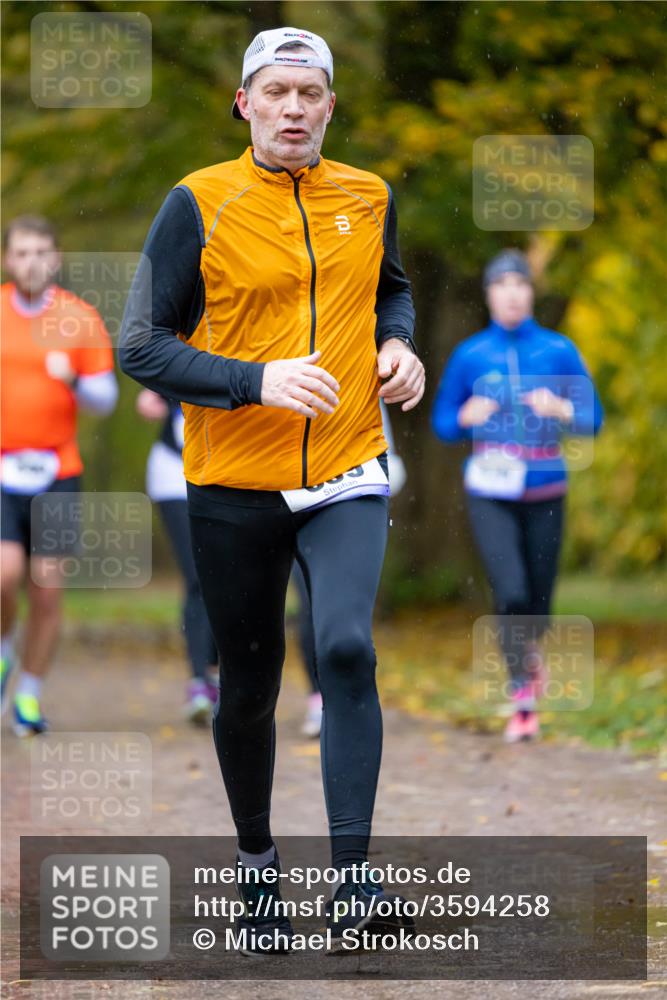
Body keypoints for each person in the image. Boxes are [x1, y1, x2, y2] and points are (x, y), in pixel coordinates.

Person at [120, 26, 424, 952]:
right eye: (276, 92)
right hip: (232, 482)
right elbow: (140, 344)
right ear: (245, 103)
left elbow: (390, 291)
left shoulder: (367, 195)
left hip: (345, 467)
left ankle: (353, 887)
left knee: (344, 650)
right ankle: (257, 868)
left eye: (310, 93)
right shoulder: (197, 202)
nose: (294, 109)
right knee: (246, 689)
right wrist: (255, 379)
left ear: (331, 105)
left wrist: (399, 346)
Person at [432, 249, 603, 743]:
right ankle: (521, 696)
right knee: (509, 590)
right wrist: (466, 416)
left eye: (520, 284)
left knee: (539, 596)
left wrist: (563, 409)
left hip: (547, 485)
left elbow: (594, 419)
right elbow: (442, 424)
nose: (512, 293)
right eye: (501, 284)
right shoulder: (470, 355)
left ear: (531, 293)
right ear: (488, 295)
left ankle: (531, 653)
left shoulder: (558, 351)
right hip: (490, 489)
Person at [1, 215, 118, 735]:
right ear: (8, 260)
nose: (32, 262)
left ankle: (28, 694)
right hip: (2, 469)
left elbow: (106, 399)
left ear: (57, 259)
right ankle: (4, 646)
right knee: (3, 574)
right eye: (22, 252)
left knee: (46, 588)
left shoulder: (79, 318)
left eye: (41, 252)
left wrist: (72, 378)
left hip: (57, 470)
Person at [295, 400, 407, 738]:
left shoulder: (359, 371)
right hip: (283, 502)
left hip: (345, 504)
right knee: (309, 602)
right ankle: (317, 696)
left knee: (345, 614)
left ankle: (348, 693)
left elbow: (382, 444)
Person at [136, 389, 218, 724]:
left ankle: (221, 670)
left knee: (229, 574)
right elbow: (155, 363)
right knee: (198, 576)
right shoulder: (186, 337)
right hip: (175, 472)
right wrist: (151, 394)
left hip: (235, 468)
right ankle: (199, 679)